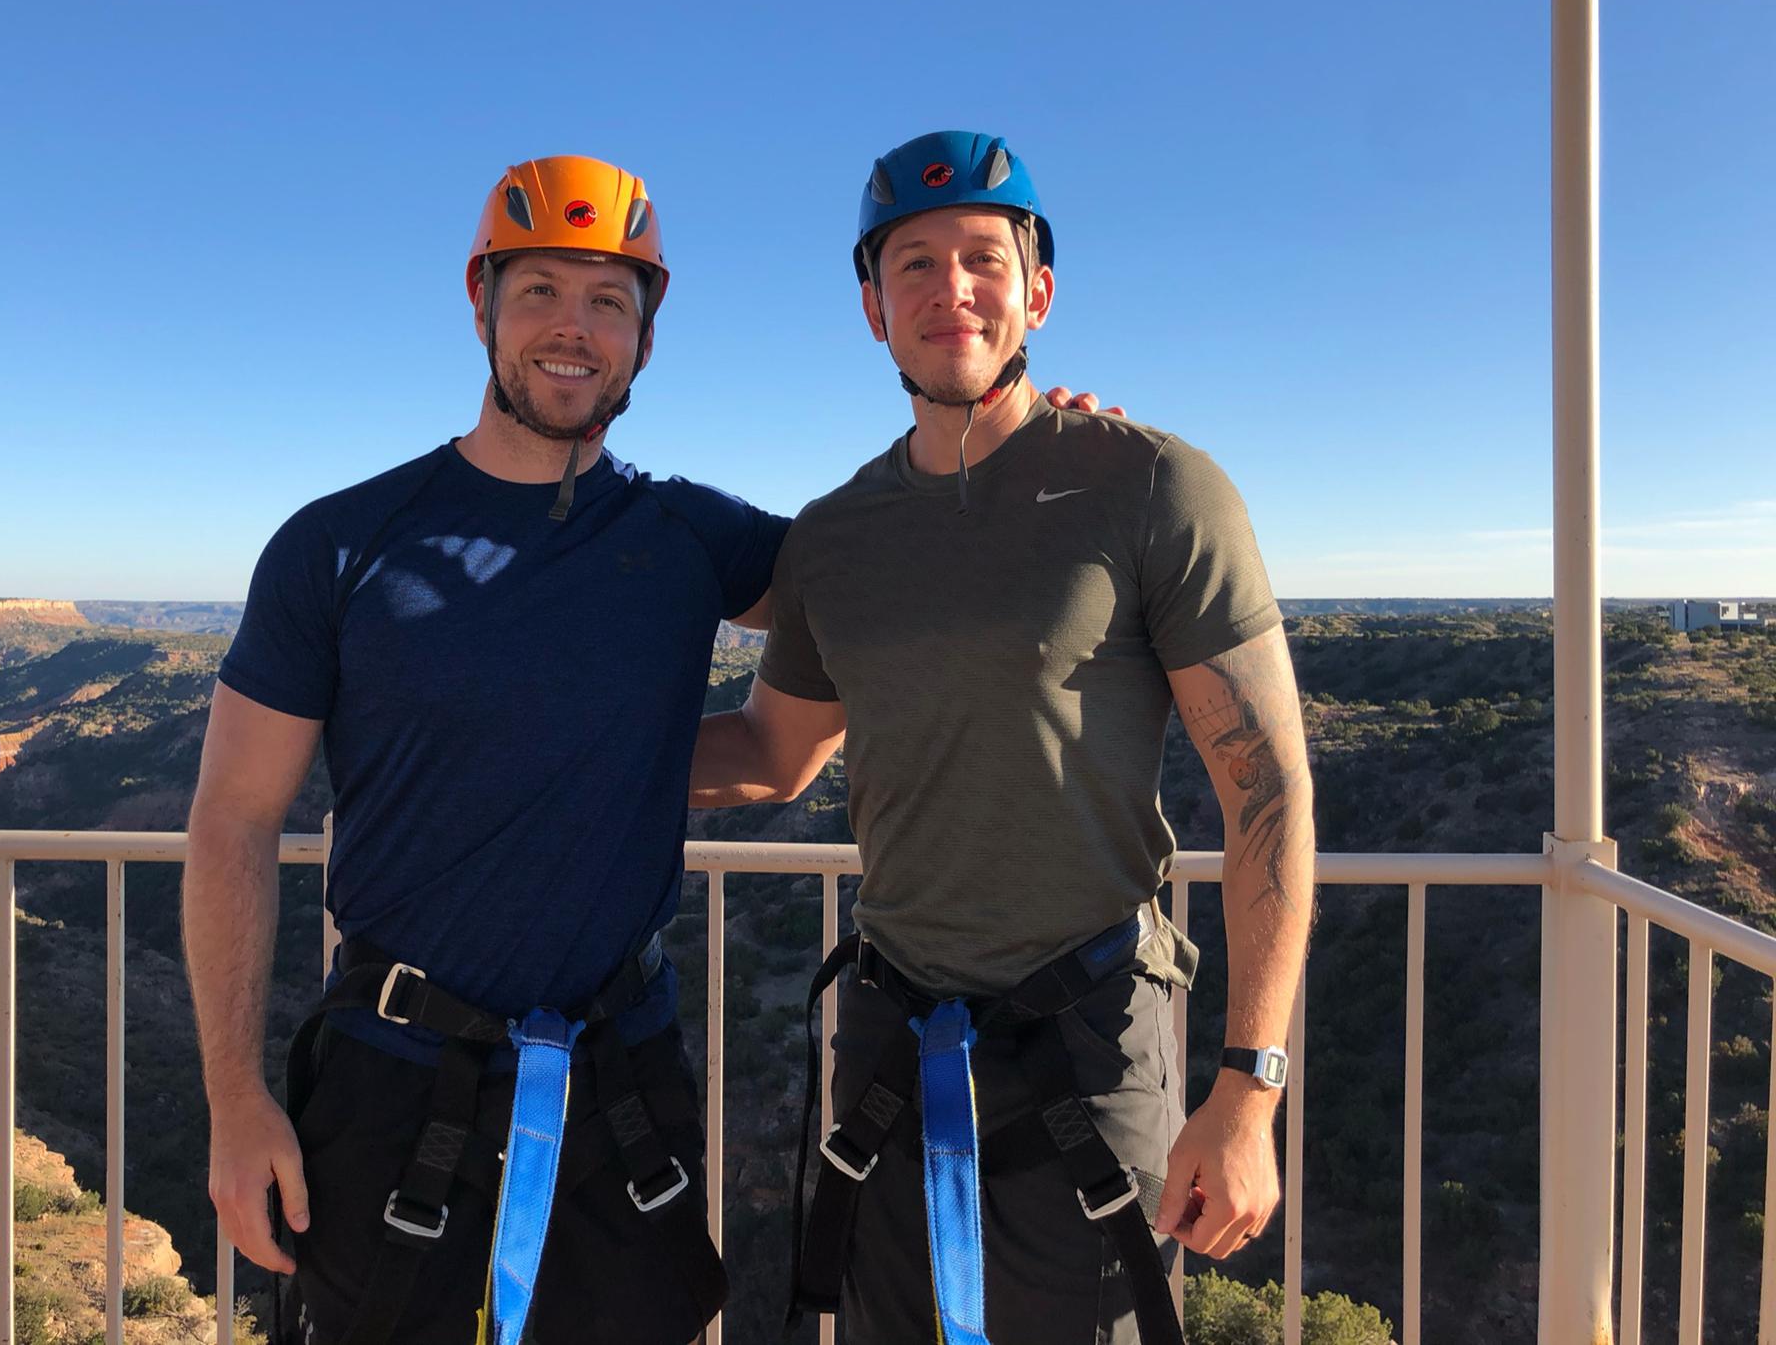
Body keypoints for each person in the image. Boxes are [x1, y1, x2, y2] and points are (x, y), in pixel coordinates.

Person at [690, 130, 1316, 1345]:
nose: (949, 288)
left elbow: (1268, 793)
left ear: (1036, 290)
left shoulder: (1152, 486)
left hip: (1087, 1036)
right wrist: (550, 763)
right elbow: (770, 755)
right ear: (871, 309)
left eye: (982, 256)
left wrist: (1250, 1088)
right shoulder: (833, 537)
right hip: (888, 1031)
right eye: (911, 264)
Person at [182, 155, 777, 1345]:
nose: (574, 328)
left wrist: (1034, 449)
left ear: (646, 338)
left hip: (621, 1082)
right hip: (390, 1077)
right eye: (541, 290)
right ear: (481, 305)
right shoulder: (339, 544)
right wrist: (236, 1102)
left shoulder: (688, 536)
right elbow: (235, 820)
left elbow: (897, 579)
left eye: (610, 300)